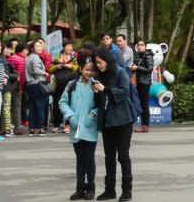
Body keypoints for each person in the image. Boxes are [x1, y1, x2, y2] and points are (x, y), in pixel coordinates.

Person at [93, 46, 135, 202]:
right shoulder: (101, 75)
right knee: (109, 157)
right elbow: (100, 100)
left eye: (99, 62)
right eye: (96, 63)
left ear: (107, 60)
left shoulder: (120, 72)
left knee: (123, 156)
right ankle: (109, 190)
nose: (98, 65)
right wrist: (97, 92)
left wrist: (105, 89)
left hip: (123, 120)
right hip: (107, 122)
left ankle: (127, 191)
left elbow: (125, 92)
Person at [60, 50, 99, 201]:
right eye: (86, 69)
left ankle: (90, 188)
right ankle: (79, 188)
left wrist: (93, 115)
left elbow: (103, 103)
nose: (89, 72)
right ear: (80, 68)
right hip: (75, 128)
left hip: (90, 128)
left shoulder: (96, 85)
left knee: (89, 158)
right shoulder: (72, 85)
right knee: (80, 159)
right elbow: (62, 102)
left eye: (92, 70)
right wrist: (70, 116)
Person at [51, 40, 79, 134]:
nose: (70, 48)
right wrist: (56, 67)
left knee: (70, 102)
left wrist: (70, 66)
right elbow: (49, 68)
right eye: (68, 46)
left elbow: (78, 68)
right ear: (63, 47)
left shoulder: (74, 57)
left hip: (69, 84)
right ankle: (56, 124)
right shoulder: (56, 57)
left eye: (71, 46)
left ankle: (68, 124)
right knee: (57, 103)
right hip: (58, 84)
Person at [26, 40, 50, 136]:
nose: (40, 48)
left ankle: (32, 128)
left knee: (32, 107)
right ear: (32, 48)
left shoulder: (28, 57)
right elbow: (36, 70)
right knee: (40, 106)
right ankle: (40, 128)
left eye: (40, 46)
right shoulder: (35, 58)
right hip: (37, 84)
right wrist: (44, 73)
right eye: (37, 46)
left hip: (30, 84)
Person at [130, 40, 154, 133]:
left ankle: (145, 125)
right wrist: (133, 68)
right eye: (138, 45)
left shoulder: (148, 55)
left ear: (145, 46)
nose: (140, 46)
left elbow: (149, 69)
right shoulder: (138, 56)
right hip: (139, 83)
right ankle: (143, 124)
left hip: (145, 83)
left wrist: (137, 68)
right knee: (141, 104)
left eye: (141, 45)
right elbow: (136, 69)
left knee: (144, 104)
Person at [8, 42, 27, 134]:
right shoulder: (22, 60)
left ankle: (7, 126)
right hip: (17, 86)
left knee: (8, 106)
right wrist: (21, 88)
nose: (27, 52)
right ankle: (17, 127)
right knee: (17, 106)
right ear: (23, 50)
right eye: (26, 50)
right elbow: (21, 76)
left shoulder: (11, 57)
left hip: (8, 84)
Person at [1, 42, 19, 137]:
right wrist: (16, 76)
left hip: (7, 87)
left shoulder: (6, 60)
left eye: (9, 48)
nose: (9, 50)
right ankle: (7, 129)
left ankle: (5, 128)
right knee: (6, 108)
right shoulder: (2, 60)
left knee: (5, 108)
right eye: (6, 48)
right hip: (5, 87)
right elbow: (7, 74)